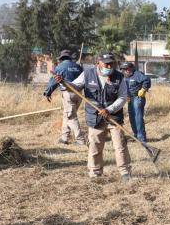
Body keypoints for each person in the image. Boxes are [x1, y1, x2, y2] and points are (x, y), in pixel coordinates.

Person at [54, 52, 131, 181]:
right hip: (95, 118)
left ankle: (125, 173)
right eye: (106, 63)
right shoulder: (88, 74)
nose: (109, 65)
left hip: (114, 117)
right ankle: (95, 174)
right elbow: (75, 86)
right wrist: (64, 83)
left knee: (120, 146)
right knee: (95, 146)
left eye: (111, 63)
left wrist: (109, 109)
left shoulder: (119, 77)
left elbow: (123, 97)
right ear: (98, 63)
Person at [43, 50, 85, 145]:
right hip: (79, 94)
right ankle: (64, 138)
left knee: (71, 116)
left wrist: (48, 92)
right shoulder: (78, 67)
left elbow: (53, 81)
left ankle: (80, 140)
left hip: (68, 94)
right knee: (67, 115)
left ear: (61, 58)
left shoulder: (60, 67)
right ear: (70, 58)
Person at [119, 61, 151, 142]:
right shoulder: (123, 76)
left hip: (138, 98)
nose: (126, 70)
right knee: (132, 117)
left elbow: (147, 80)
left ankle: (141, 138)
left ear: (131, 68)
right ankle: (136, 135)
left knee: (138, 117)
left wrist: (143, 89)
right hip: (130, 99)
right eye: (123, 69)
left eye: (127, 69)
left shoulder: (137, 74)